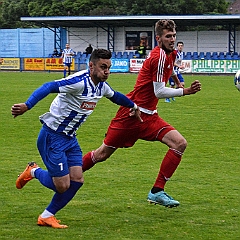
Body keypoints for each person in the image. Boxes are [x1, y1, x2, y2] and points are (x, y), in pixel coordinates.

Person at [11, 49, 141, 228]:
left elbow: (116, 96)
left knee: (77, 180)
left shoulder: (101, 86)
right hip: (52, 136)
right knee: (62, 185)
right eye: (103, 67)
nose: (106, 71)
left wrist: (133, 105)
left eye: (109, 68)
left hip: (70, 138)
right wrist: (27, 105)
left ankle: (46, 216)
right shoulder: (79, 82)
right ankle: (33, 171)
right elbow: (49, 86)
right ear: (91, 65)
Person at [82, 19, 201, 208]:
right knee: (102, 154)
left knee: (179, 143)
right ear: (158, 38)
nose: (172, 39)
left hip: (149, 117)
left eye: (174, 36)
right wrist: (184, 91)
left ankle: (157, 191)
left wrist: (177, 81)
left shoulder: (170, 54)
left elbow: (169, 69)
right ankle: (67, 174)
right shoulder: (158, 56)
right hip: (132, 115)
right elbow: (159, 92)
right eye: (168, 36)